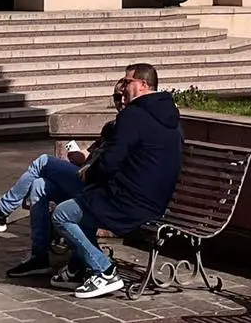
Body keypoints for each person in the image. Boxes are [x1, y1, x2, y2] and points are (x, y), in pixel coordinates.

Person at [0, 79, 127, 278]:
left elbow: (111, 165)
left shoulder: (130, 128)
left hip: (100, 189)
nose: (121, 101)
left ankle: (0, 210)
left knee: (43, 162)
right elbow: (89, 154)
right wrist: (78, 156)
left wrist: (89, 167)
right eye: (117, 97)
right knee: (39, 185)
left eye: (125, 96)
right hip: (86, 178)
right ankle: (39, 256)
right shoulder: (111, 127)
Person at [48, 62, 182, 299]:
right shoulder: (167, 114)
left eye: (127, 81)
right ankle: (81, 268)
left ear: (142, 84)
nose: (123, 87)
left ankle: (104, 270)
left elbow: (110, 161)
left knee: (62, 213)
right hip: (153, 201)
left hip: (129, 201)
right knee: (80, 204)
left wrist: (89, 172)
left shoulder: (135, 114)